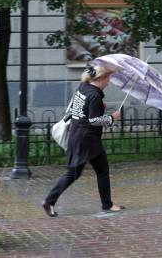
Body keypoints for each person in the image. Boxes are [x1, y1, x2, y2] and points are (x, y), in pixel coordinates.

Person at [42, 65, 124, 217]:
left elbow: (77, 108)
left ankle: (107, 204)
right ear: (101, 78)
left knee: (96, 170)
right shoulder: (95, 95)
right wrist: (112, 118)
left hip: (79, 135)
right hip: (87, 140)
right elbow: (93, 120)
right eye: (108, 78)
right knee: (78, 172)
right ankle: (49, 201)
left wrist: (99, 107)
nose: (109, 82)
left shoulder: (84, 87)